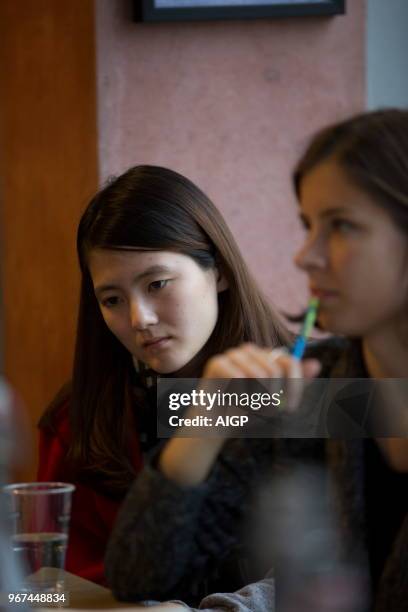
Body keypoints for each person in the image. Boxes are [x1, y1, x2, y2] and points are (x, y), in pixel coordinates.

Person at [106, 110, 408, 612]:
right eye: (308, 225)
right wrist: (204, 423)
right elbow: (139, 574)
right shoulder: (318, 390)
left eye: (342, 226)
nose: (305, 255)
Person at [37, 165, 295, 587]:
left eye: (157, 283)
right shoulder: (80, 420)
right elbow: (45, 591)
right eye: (113, 299)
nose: (140, 319)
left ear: (220, 271)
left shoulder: (310, 390)